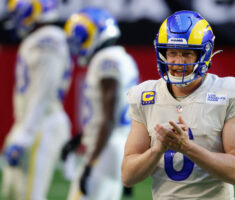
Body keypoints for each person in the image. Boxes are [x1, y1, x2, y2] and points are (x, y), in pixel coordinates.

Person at [122, 10, 235, 200]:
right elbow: (128, 176)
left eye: (186, 54)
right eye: (172, 53)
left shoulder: (230, 92)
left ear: (204, 53)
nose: (177, 62)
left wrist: (187, 148)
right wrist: (158, 149)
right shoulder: (145, 95)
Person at [63, 7, 139, 200]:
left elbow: (109, 116)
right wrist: (81, 138)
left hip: (105, 148)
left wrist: (90, 162)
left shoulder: (105, 60)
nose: (77, 42)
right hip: (119, 143)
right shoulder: (125, 58)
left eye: (80, 35)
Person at [1, 0, 72, 200]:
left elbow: (43, 93)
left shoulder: (47, 39)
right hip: (31, 122)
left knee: (29, 195)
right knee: (12, 193)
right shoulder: (39, 38)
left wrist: (24, 136)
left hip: (40, 125)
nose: (16, 17)